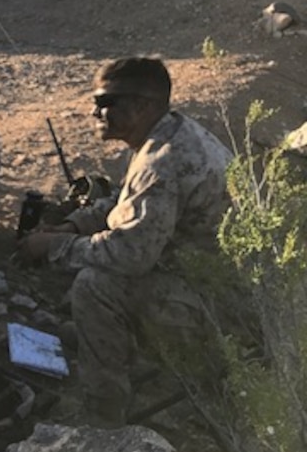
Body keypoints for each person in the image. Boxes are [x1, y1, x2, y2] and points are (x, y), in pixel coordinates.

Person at [17, 57, 233, 427]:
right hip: (211, 284)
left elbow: (129, 255)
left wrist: (52, 248)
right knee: (94, 267)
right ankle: (107, 347)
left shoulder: (161, 160)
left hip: (219, 311)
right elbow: (124, 203)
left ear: (144, 105)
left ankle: (104, 418)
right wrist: (72, 226)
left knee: (94, 286)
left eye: (107, 102)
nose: (95, 111)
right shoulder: (170, 135)